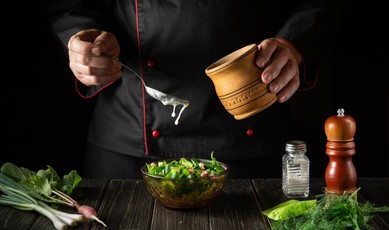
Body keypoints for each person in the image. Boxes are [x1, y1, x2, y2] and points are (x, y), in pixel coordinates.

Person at [46, 1, 340, 179]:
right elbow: (68, 5)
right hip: (129, 140)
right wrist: (83, 39)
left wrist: (294, 44)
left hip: (250, 137)